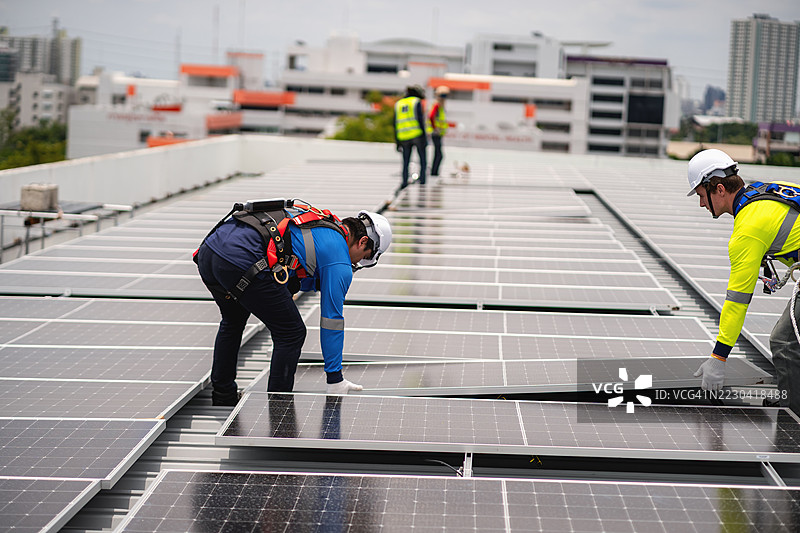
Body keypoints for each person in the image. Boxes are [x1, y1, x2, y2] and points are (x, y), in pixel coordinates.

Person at [195, 199, 392, 405]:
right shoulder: (339, 258)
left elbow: (297, 269)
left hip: (210, 251)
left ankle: (223, 395)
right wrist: (335, 379)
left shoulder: (322, 225)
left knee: (233, 320)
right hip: (241, 258)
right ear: (362, 242)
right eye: (363, 257)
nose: (356, 263)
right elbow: (332, 320)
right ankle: (279, 406)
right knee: (291, 332)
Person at [688, 148, 800, 413]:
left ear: (719, 189)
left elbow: (737, 301)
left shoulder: (747, 230)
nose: (702, 204)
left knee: (784, 342)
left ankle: (793, 418)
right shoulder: (769, 190)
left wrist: (718, 357)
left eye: (702, 196)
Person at [394, 85, 428, 189]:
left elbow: (394, 123)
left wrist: (397, 140)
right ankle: (422, 181)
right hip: (416, 134)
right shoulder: (415, 102)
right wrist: (424, 135)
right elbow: (420, 119)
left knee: (405, 161)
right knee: (422, 160)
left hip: (403, 136)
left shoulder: (398, 104)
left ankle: (404, 181)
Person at [429, 86, 450, 177]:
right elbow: (431, 116)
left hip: (438, 133)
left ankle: (435, 172)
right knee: (439, 155)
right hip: (436, 133)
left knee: (438, 154)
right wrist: (435, 128)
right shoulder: (437, 105)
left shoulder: (440, 106)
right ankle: (434, 173)